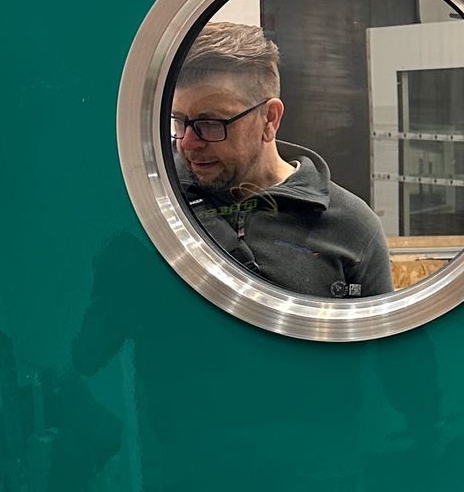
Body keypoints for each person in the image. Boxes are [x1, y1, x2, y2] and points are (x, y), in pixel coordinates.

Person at [169, 22, 394, 299]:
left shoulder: (353, 228)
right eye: (179, 121)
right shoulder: (157, 195)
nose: (188, 143)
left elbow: (375, 328)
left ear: (270, 119)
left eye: (211, 124)